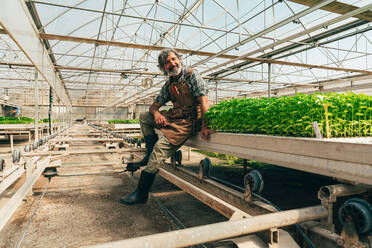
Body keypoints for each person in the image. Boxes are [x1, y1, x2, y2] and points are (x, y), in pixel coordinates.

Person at [120, 49, 215, 205]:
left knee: (160, 149)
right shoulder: (169, 83)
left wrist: (206, 125)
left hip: (190, 120)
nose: (172, 64)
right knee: (145, 116)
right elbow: (153, 106)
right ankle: (148, 155)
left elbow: (204, 102)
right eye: (167, 63)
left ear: (179, 59)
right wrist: (157, 114)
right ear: (163, 68)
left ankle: (141, 193)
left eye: (173, 59)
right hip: (176, 116)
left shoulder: (192, 76)